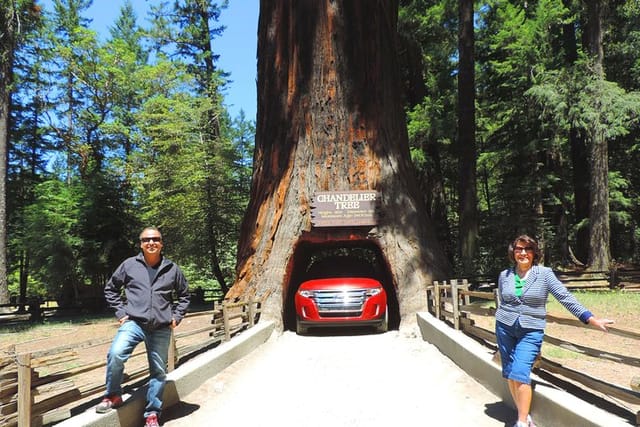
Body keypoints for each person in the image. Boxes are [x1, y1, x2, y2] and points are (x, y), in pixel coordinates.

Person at [495, 234, 614, 427]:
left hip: (530, 330)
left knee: (519, 372)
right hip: (504, 328)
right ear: (513, 252)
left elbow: (565, 297)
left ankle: (522, 422)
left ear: (534, 253)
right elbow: (504, 300)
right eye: (518, 249)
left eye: (527, 249)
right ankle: (523, 413)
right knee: (509, 372)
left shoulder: (544, 274)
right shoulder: (505, 275)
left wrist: (590, 318)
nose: (523, 253)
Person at [96, 227, 190, 427]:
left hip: (161, 327)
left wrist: (177, 316)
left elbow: (184, 295)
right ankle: (113, 395)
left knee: (158, 371)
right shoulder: (129, 265)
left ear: (162, 243)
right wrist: (121, 314)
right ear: (140, 244)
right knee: (116, 354)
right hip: (134, 323)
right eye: (146, 239)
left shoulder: (172, 268)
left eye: (156, 239)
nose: (151, 242)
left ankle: (152, 413)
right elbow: (111, 289)